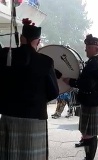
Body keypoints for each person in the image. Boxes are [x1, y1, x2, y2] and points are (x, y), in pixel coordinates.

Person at [0, 18, 59, 160]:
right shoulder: (46, 61)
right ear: (38, 42)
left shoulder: (4, 55)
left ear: (21, 38)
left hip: (8, 115)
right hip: (34, 117)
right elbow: (54, 93)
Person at [63, 34, 98, 160]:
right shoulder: (97, 61)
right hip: (93, 100)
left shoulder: (94, 63)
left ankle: (89, 158)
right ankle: (88, 156)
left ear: (97, 49)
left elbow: (87, 84)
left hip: (92, 101)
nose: (86, 49)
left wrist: (71, 82)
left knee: (89, 133)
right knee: (88, 133)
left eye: (88, 47)